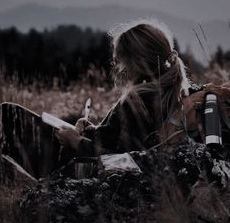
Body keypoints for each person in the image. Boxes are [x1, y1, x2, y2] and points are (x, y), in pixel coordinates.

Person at [56, 19, 193, 157]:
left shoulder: (136, 102)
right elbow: (131, 144)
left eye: (120, 59)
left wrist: (76, 142)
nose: (118, 66)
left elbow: (124, 161)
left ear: (136, 62)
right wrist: (94, 133)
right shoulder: (176, 93)